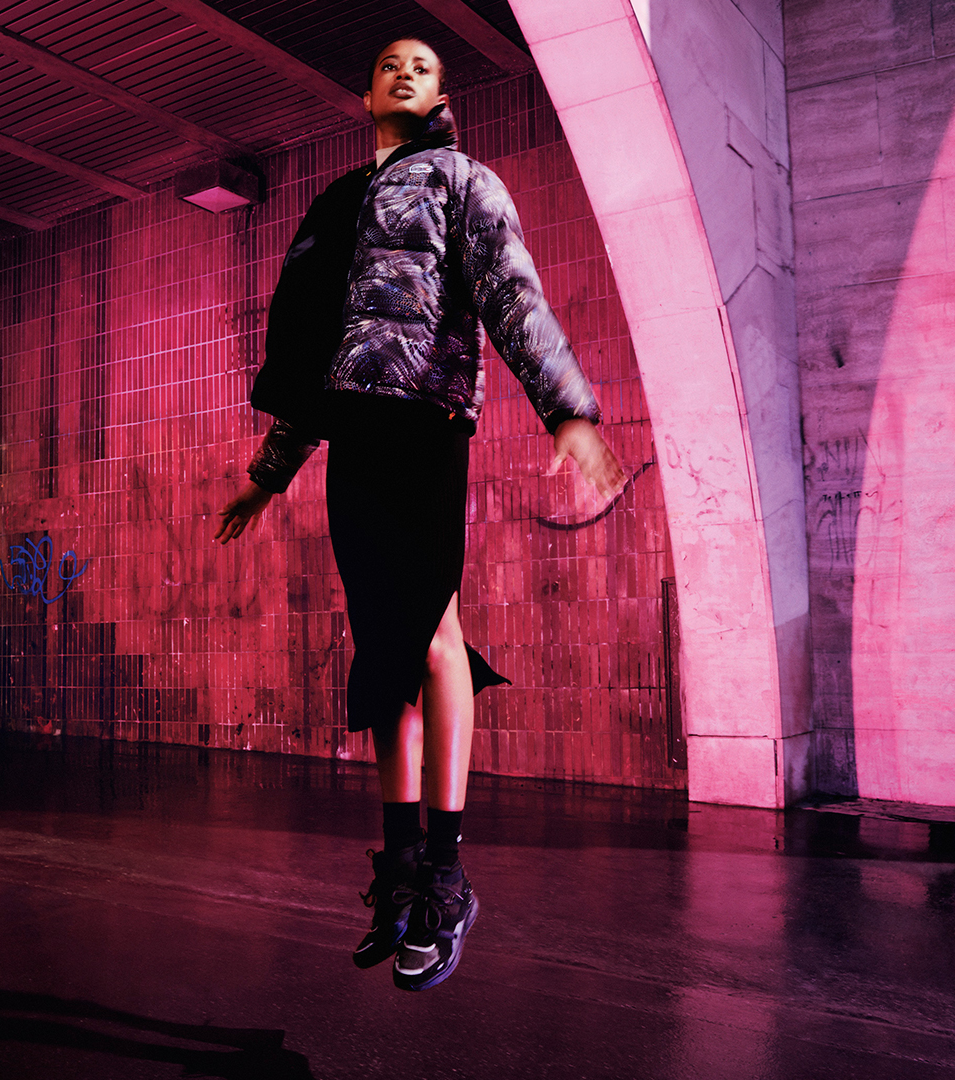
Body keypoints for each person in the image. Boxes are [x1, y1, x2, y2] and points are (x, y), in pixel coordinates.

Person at [216, 39, 625, 991]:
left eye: (425, 65)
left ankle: (447, 874)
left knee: (437, 636)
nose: (406, 72)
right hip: (353, 440)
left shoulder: (461, 181)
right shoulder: (339, 205)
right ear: (366, 95)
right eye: (390, 64)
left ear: (442, 94)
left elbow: (511, 292)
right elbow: (317, 360)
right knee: (383, 656)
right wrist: (268, 476)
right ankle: (400, 868)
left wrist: (567, 410)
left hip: (424, 425)